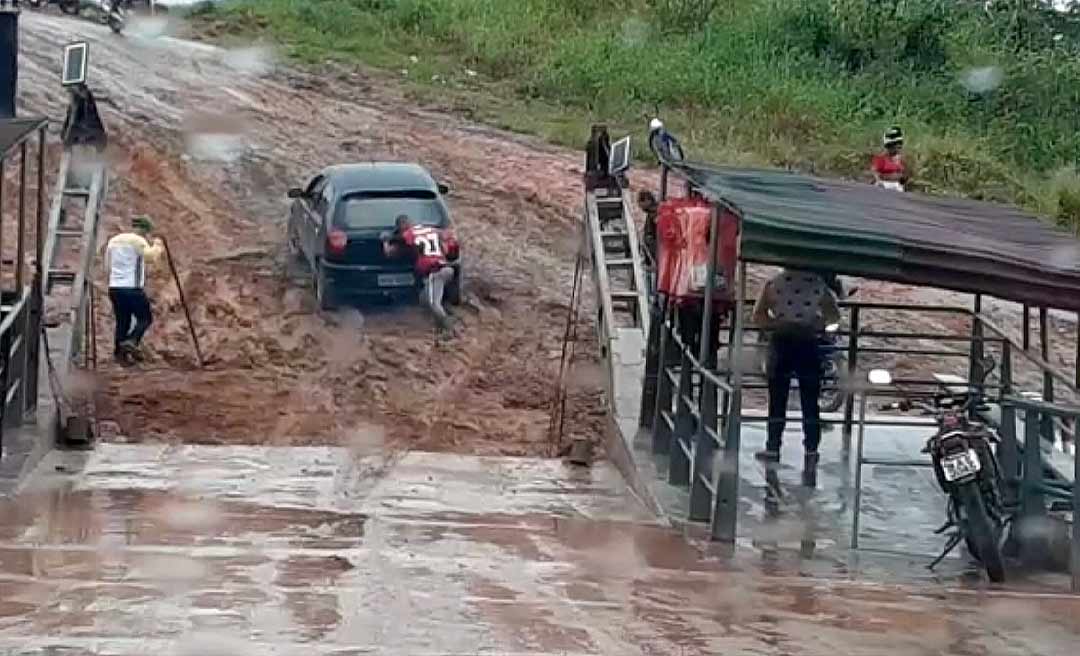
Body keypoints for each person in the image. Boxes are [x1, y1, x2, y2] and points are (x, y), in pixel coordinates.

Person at [752, 268, 841, 488]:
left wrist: (776, 324)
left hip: (781, 343)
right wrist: (816, 325)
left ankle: (773, 447)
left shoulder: (773, 284)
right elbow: (834, 317)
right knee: (810, 400)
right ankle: (811, 449)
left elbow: (758, 316)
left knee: (777, 399)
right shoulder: (818, 284)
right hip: (808, 343)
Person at [382, 214, 459, 337]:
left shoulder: (408, 235)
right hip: (446, 268)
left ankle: (450, 330)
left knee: (434, 304)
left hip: (435, 272)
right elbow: (445, 248)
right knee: (424, 299)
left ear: (402, 226)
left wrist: (386, 241)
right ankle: (440, 325)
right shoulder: (430, 229)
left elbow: (389, 253)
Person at [105, 215, 163, 365]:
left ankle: (119, 355)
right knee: (145, 318)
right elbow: (150, 257)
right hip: (132, 288)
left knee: (122, 321)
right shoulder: (137, 241)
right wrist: (158, 245)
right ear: (144, 230)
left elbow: (107, 265)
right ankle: (132, 341)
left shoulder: (113, 241)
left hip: (115, 288)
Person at [871, 126, 908, 190]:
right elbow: (875, 172)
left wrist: (903, 180)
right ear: (890, 146)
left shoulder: (901, 159)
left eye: (899, 146)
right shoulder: (881, 158)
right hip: (884, 184)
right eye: (896, 146)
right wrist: (879, 180)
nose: (898, 148)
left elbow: (904, 176)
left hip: (897, 185)